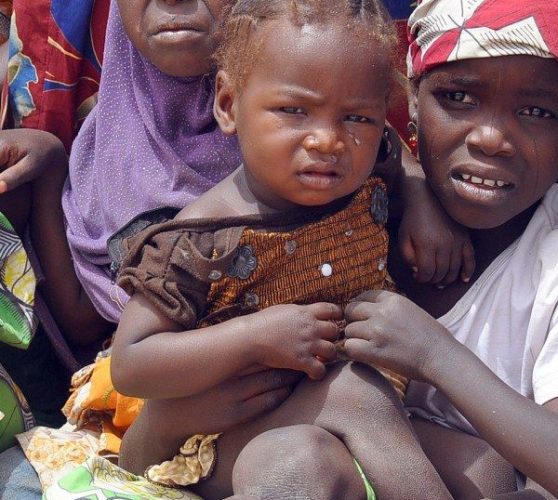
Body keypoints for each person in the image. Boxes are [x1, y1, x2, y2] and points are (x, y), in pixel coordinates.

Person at [111, 1, 453, 499]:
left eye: (357, 117)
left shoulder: (366, 167)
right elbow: (131, 364)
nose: (327, 140)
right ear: (228, 106)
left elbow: (395, 155)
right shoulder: (202, 240)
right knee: (351, 397)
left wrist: (421, 196)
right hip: (225, 436)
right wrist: (252, 336)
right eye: (294, 110)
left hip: (367, 417)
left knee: (483, 464)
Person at [344, 0, 558, 497]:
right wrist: (413, 183)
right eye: (459, 97)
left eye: (537, 111)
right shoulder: (343, 198)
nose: (491, 138)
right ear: (413, 102)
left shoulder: (547, 262)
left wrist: (433, 353)